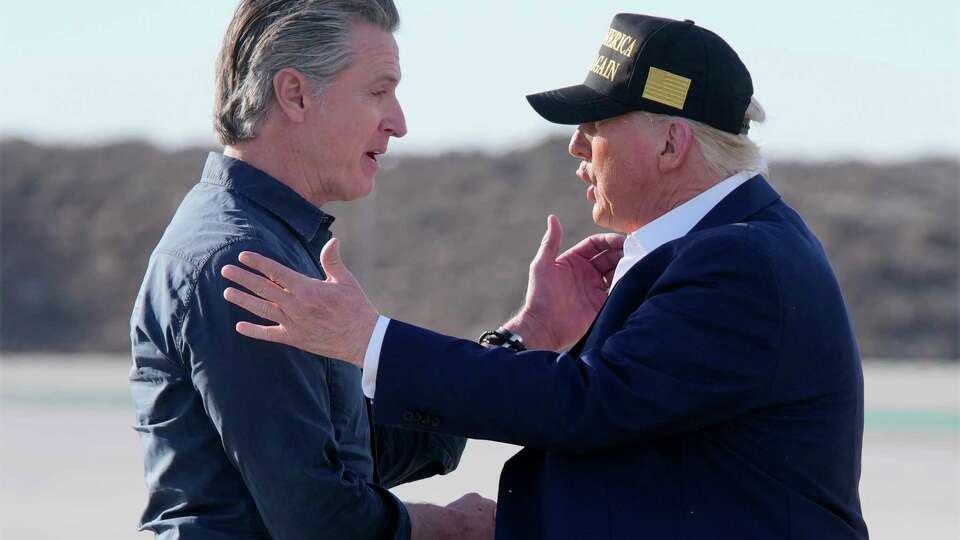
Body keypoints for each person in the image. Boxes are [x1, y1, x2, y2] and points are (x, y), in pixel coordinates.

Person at [221, 13, 869, 540]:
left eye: (596, 125)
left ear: (672, 144)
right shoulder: (726, 245)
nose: (576, 146)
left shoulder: (740, 260)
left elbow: (588, 406)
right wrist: (535, 329)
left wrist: (370, 339)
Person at [129, 1, 502, 538]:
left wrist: (522, 337)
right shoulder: (240, 262)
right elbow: (320, 520)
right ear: (296, 94)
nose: (398, 122)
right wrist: (456, 527)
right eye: (379, 90)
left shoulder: (273, 243)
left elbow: (354, 454)